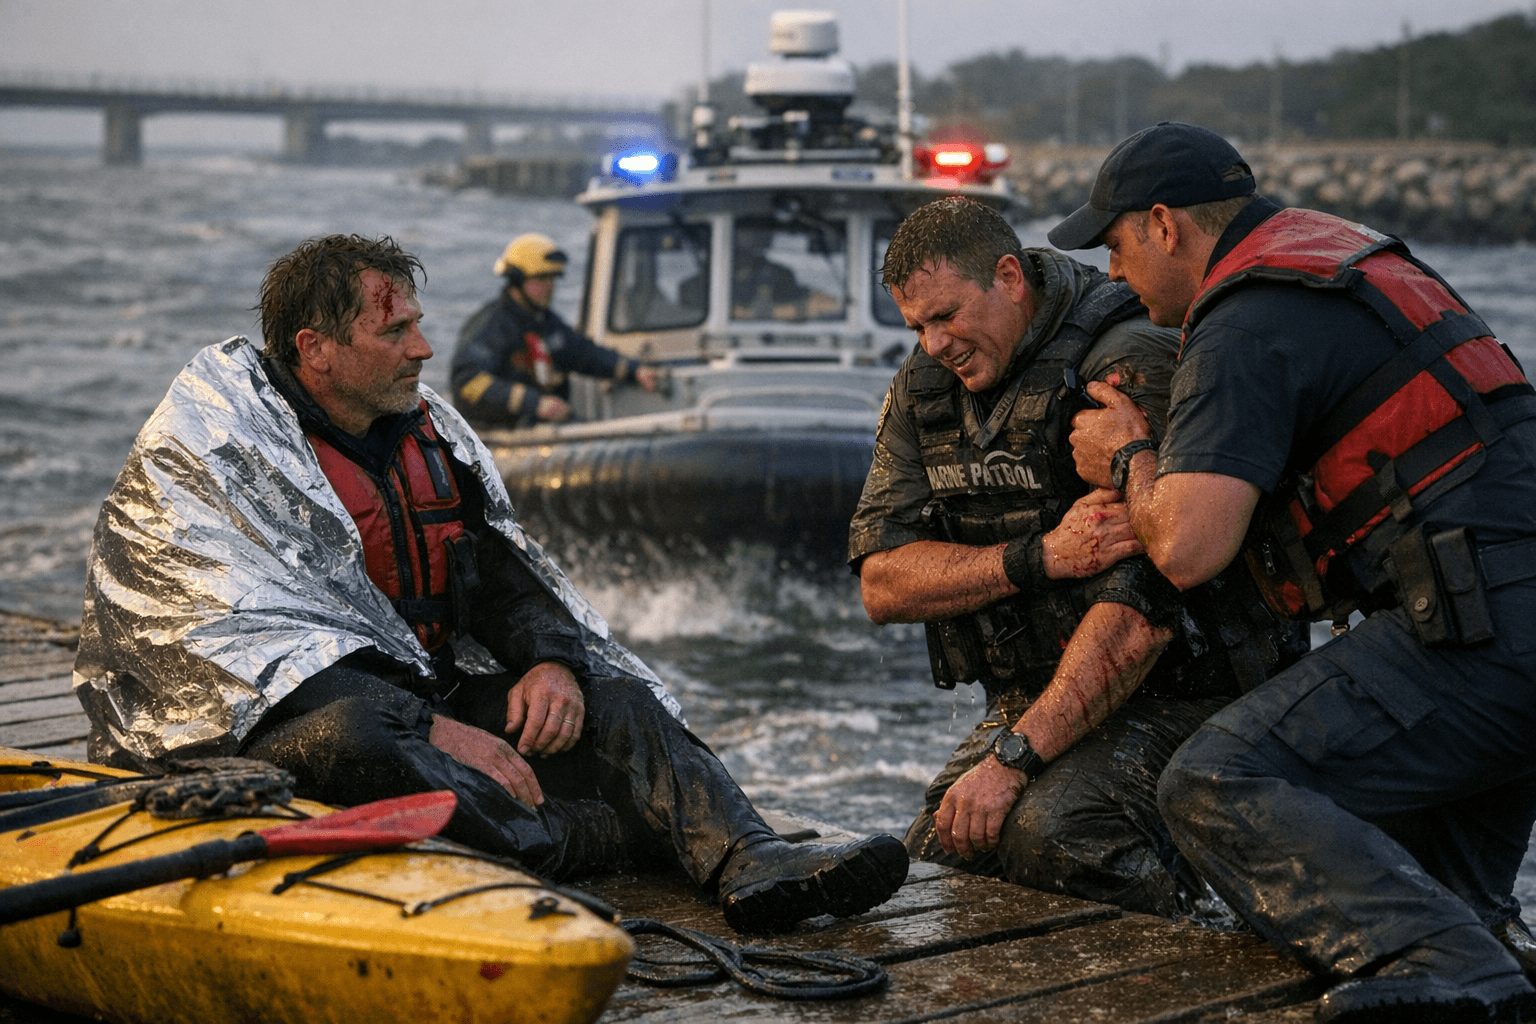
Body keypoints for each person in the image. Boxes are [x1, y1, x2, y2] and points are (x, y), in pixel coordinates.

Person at [73, 233, 908, 935]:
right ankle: (582, 842)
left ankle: (749, 858)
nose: (422, 348)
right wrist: (433, 728)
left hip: (422, 705)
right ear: (315, 349)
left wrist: (549, 663)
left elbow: (507, 576)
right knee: (360, 736)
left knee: (609, 696)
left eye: (419, 324)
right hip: (248, 732)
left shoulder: (427, 434)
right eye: (395, 330)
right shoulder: (216, 448)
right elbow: (235, 656)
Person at [1053, 122, 1536, 1022]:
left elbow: (1190, 548)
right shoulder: (1341, 258)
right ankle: (1480, 962)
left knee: (1214, 781)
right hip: (1505, 630)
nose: (1112, 275)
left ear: (1165, 225)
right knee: (1446, 906)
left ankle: (1465, 970)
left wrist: (1128, 456)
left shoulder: (1244, 319)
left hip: (1481, 638)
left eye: (1114, 246)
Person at [850, 197, 1302, 919]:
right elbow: (882, 582)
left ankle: (1200, 958)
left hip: (1195, 690)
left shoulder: (1124, 360)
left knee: (1055, 835)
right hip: (1040, 691)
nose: (933, 344)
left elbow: (1147, 609)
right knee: (942, 860)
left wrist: (1013, 761)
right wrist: (1038, 558)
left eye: (946, 316)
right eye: (917, 327)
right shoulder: (925, 386)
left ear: (1008, 276)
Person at [451, 233, 660, 428]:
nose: (550, 287)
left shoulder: (544, 322)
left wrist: (633, 370)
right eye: (541, 279)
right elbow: (467, 381)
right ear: (517, 281)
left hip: (539, 426)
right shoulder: (493, 325)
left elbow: (583, 353)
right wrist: (534, 403)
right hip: (502, 430)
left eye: (552, 279)